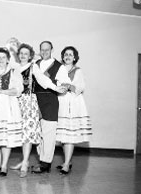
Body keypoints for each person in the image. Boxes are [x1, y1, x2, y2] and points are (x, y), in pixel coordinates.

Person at [9, 43, 60, 177]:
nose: (23, 55)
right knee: (20, 133)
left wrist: (55, 88)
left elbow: (44, 80)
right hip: (16, 102)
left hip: (29, 102)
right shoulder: (15, 68)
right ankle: (23, 160)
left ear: (30, 55)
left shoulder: (33, 67)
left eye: (26, 53)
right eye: (21, 53)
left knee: (28, 133)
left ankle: (25, 162)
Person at [31, 41, 70, 174]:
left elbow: (66, 84)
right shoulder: (35, 65)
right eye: (42, 50)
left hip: (50, 100)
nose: (44, 52)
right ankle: (42, 159)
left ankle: (46, 163)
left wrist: (61, 87)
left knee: (48, 133)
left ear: (52, 50)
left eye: (47, 50)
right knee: (38, 133)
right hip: (35, 100)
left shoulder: (59, 67)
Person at [0, 47, 24, 177]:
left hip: (8, 107)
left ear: (8, 59)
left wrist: (2, 91)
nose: (1, 60)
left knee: (6, 137)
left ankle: (4, 165)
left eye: (4, 57)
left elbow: (18, 90)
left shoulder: (14, 72)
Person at [56, 46, 92, 175]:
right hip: (61, 103)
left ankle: (66, 163)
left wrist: (69, 86)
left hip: (72, 103)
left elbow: (80, 87)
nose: (68, 56)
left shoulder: (78, 71)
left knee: (69, 135)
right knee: (62, 135)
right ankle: (67, 160)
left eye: (70, 55)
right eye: (66, 54)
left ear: (75, 57)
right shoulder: (59, 69)